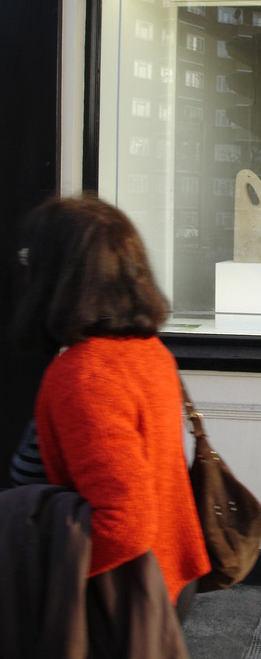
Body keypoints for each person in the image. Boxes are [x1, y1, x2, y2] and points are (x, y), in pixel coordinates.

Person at [10, 194, 210, 620]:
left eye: (30, 259)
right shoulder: (146, 350)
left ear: (60, 275)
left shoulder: (85, 376)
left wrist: (39, 579)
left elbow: (124, 523)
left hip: (118, 599)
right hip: (164, 575)